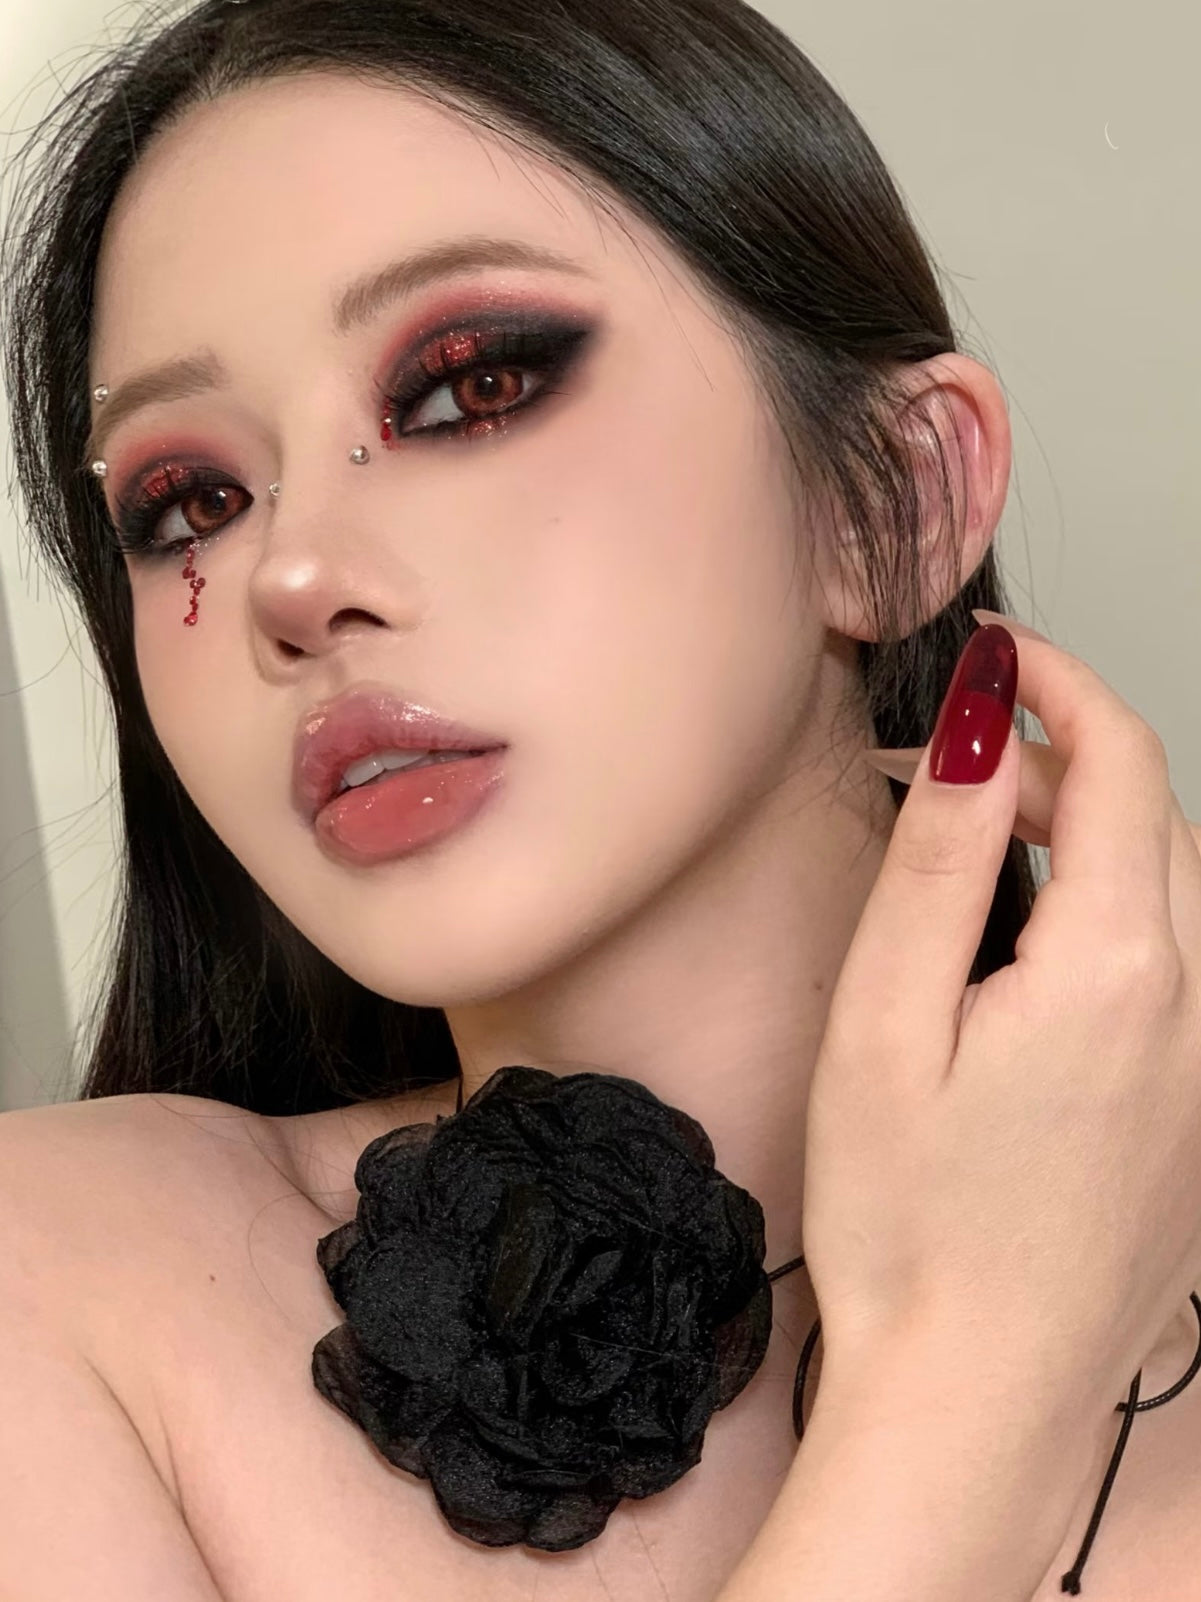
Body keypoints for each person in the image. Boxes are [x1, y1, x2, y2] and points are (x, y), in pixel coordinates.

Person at [1, 1, 1199, 1598]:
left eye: (468, 386)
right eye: (190, 499)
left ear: (892, 502)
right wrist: (975, 1380)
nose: (289, 576)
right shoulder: (54, 1296)